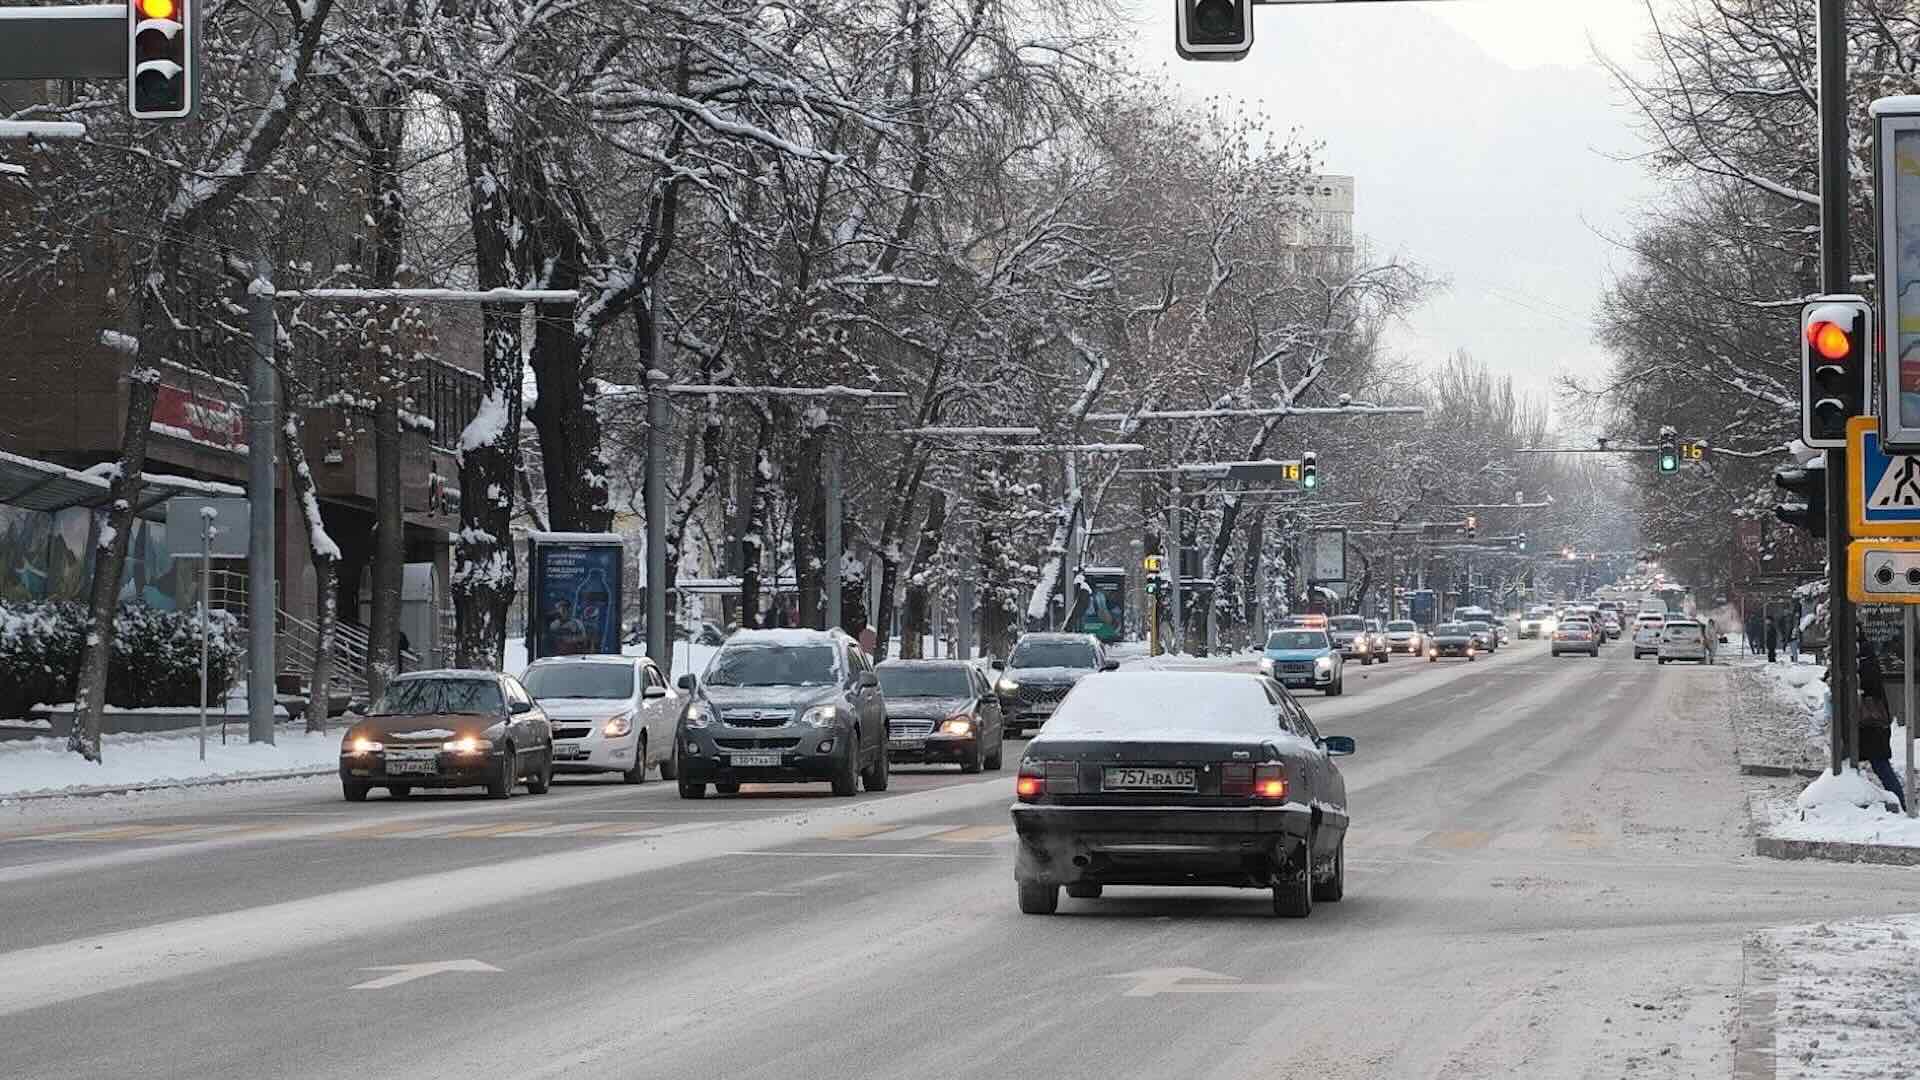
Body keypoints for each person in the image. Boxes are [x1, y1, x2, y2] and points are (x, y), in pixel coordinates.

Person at [1857, 633, 1905, 809]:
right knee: (1879, 765)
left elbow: (1867, 685)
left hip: (1872, 724)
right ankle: (1899, 801)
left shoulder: (1866, 662)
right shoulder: (1867, 658)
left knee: (1880, 765)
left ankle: (1900, 803)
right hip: (1872, 724)